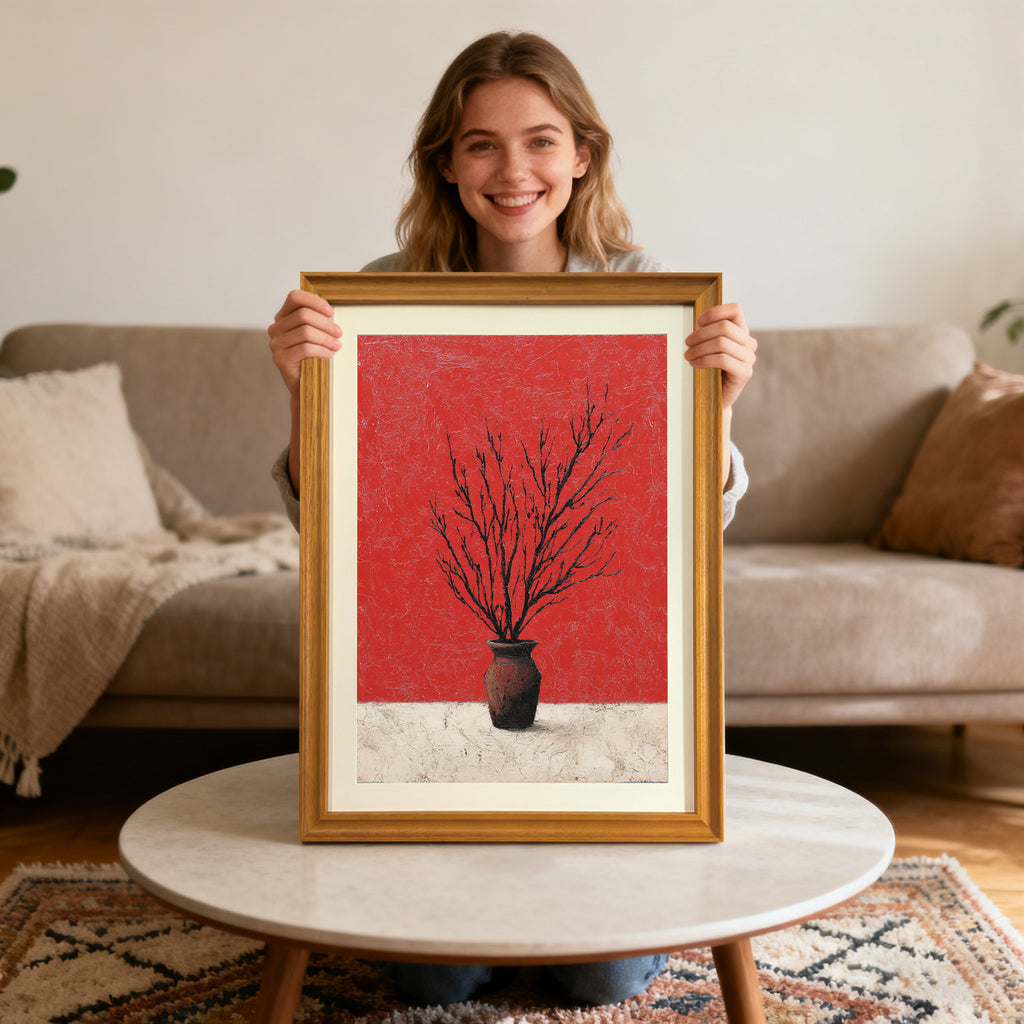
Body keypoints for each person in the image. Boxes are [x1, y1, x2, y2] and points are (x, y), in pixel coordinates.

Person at [267, 30, 756, 1008]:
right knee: (430, 977)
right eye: (480, 143)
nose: (512, 170)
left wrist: (722, 407)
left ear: (582, 153)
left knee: (592, 979)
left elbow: (678, 529)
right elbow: (339, 528)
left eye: (539, 140)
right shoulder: (384, 296)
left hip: (594, 647)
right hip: (436, 641)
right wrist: (300, 391)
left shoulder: (643, 294)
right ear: (445, 162)